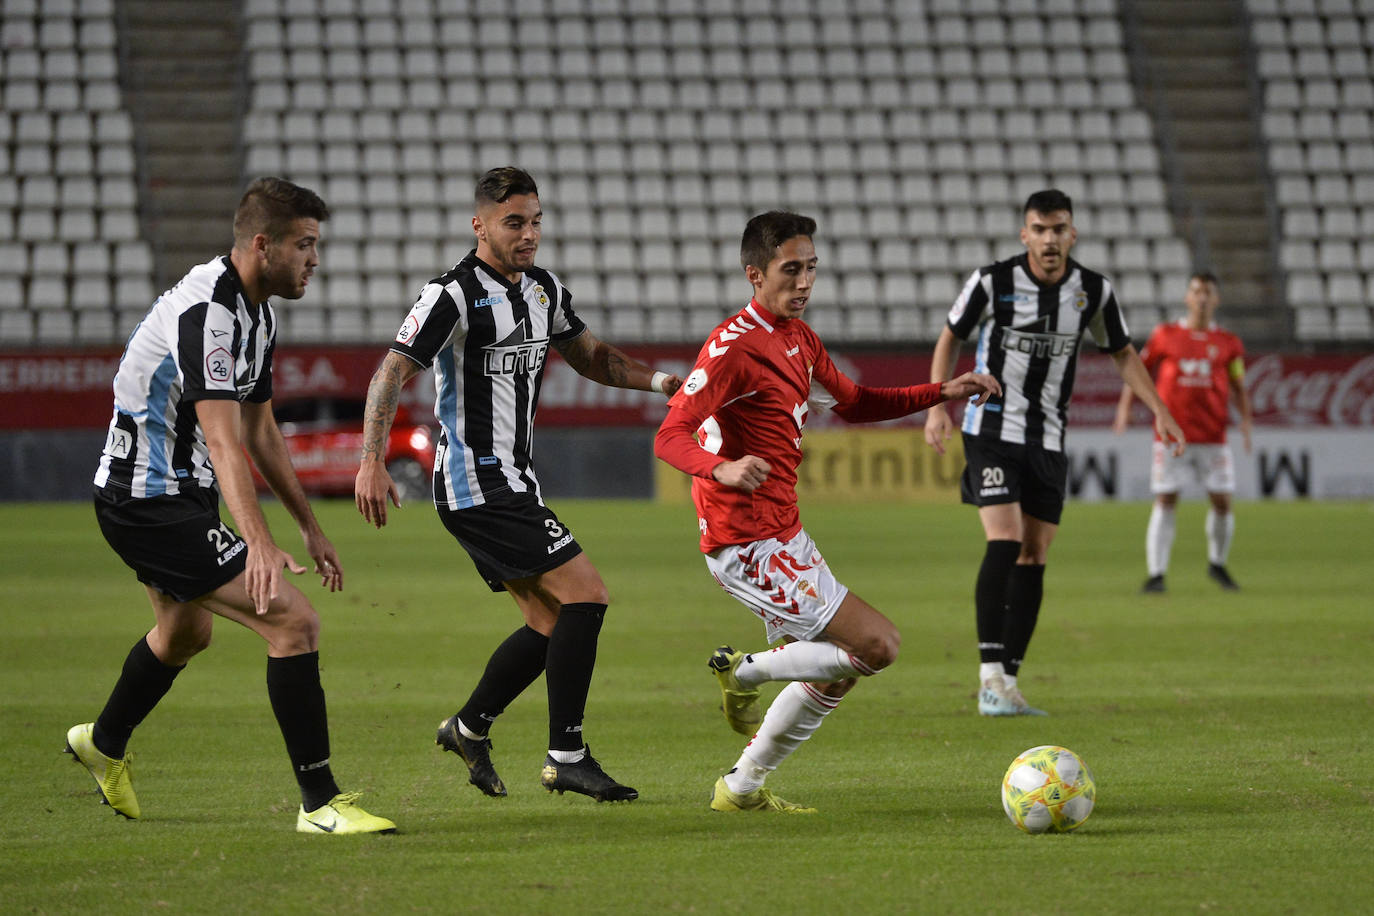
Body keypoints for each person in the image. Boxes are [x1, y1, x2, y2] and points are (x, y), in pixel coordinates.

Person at [70, 177, 395, 834]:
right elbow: (221, 436)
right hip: (146, 499)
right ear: (261, 244)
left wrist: (307, 525)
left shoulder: (258, 314)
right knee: (293, 624)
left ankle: (102, 744)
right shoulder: (207, 313)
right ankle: (320, 804)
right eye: (304, 244)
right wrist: (257, 541)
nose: (314, 260)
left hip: (177, 495)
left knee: (188, 632)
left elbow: (258, 431)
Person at [654, 211, 1001, 813]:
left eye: (812, 268)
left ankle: (740, 789)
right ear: (755, 275)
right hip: (744, 540)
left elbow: (857, 401)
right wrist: (723, 469)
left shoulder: (799, 338)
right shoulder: (732, 349)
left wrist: (939, 392)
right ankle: (746, 673)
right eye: (792, 270)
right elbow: (670, 434)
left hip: (783, 532)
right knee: (879, 645)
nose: (806, 282)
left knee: (836, 670)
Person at [354, 167, 681, 803]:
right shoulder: (450, 295)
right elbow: (390, 373)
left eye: (535, 221)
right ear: (479, 225)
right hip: (474, 482)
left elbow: (591, 357)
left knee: (549, 621)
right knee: (586, 595)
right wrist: (371, 460)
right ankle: (566, 755)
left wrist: (661, 383)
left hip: (514, 482)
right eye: (514, 223)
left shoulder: (544, 291)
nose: (529, 234)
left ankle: (470, 728)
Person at [923, 189, 1186, 718]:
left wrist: (1158, 408)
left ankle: (1009, 684)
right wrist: (937, 404)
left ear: (1072, 234)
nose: (1049, 239)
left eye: (1058, 229)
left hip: (1048, 437)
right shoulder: (993, 282)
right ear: (1025, 235)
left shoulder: (1092, 291)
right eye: (1039, 230)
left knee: (1035, 555)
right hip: (991, 425)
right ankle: (987, 675)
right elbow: (949, 337)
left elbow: (1124, 353)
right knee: (1005, 539)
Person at [1113, 272, 1253, 593]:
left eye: (1208, 292)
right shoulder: (1166, 334)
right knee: (1165, 499)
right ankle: (1156, 574)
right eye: (1196, 291)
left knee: (1222, 501)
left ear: (1216, 299)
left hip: (1214, 436)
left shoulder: (1229, 343)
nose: (1202, 298)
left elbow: (1239, 386)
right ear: (1187, 298)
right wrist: (1124, 407)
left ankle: (1217, 564)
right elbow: (1137, 370)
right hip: (1171, 435)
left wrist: (1246, 421)